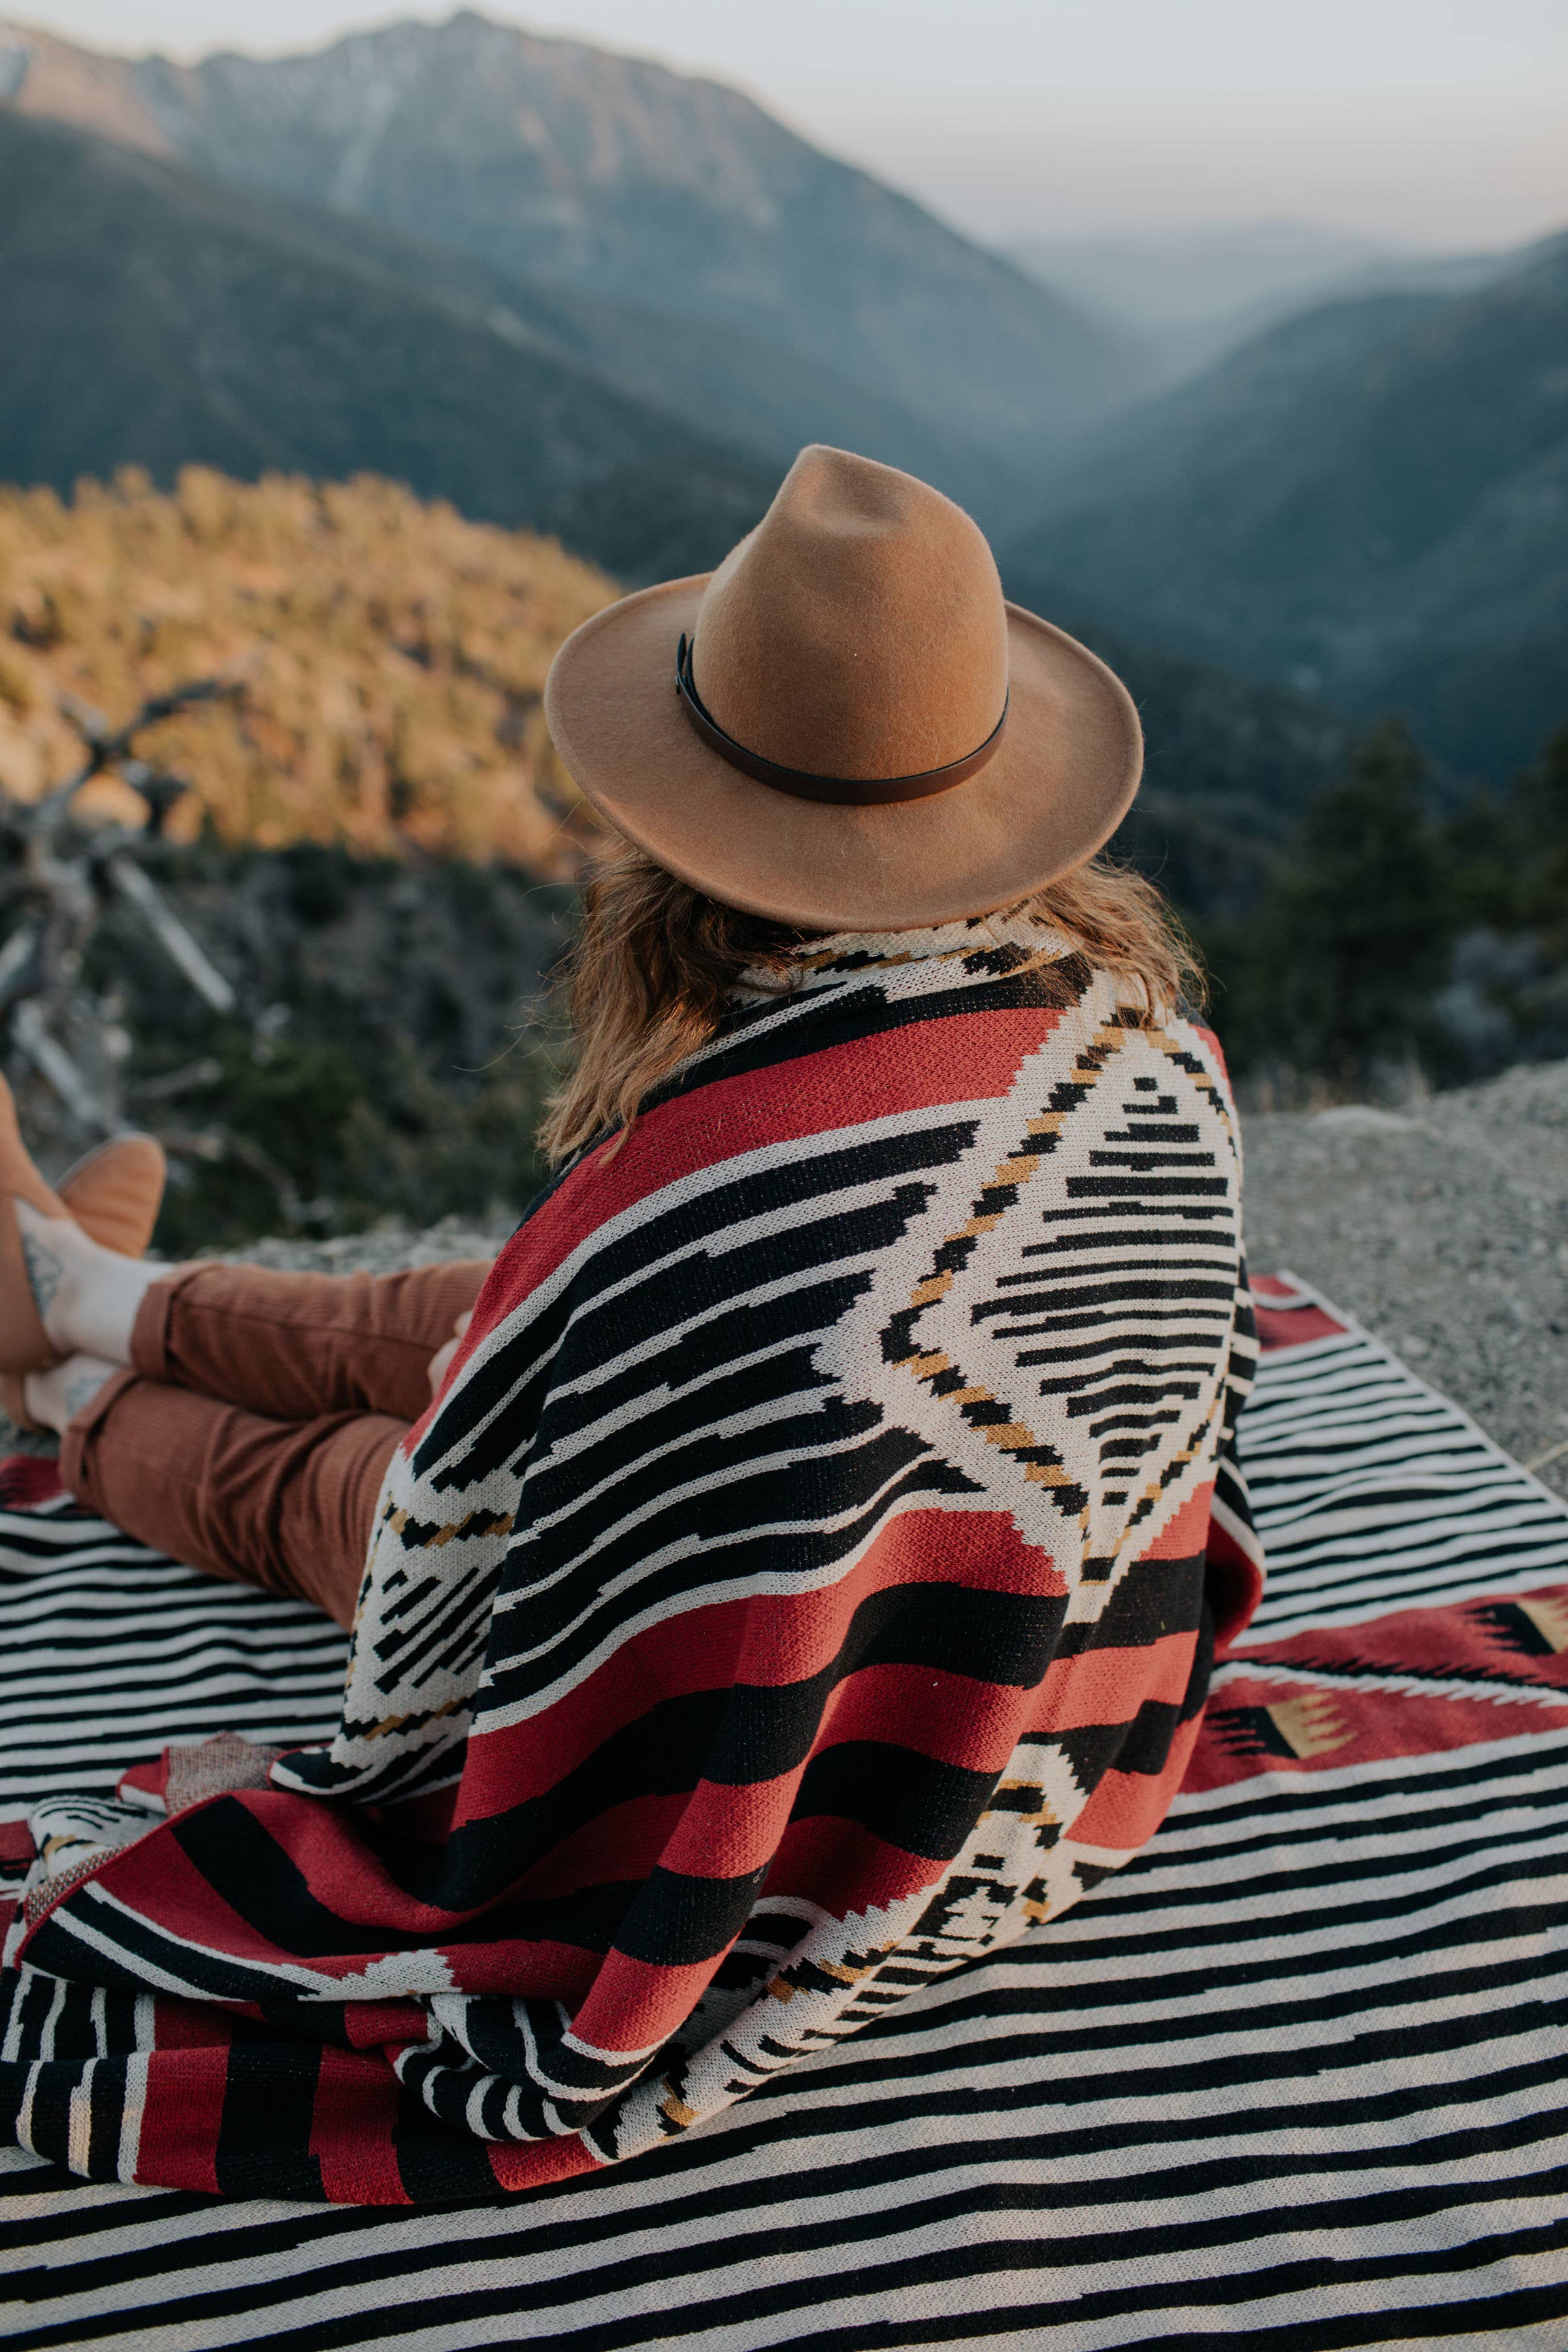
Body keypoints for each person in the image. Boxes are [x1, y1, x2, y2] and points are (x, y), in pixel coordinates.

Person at [0, 446, 1262, 2204]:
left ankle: (66, 1381)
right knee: (472, 1327)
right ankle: (95, 1293)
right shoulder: (1155, 1057)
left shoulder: (704, 1170)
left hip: (754, 1654)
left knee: (339, 1492)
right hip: (1033, 1692)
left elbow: (467, 1493)